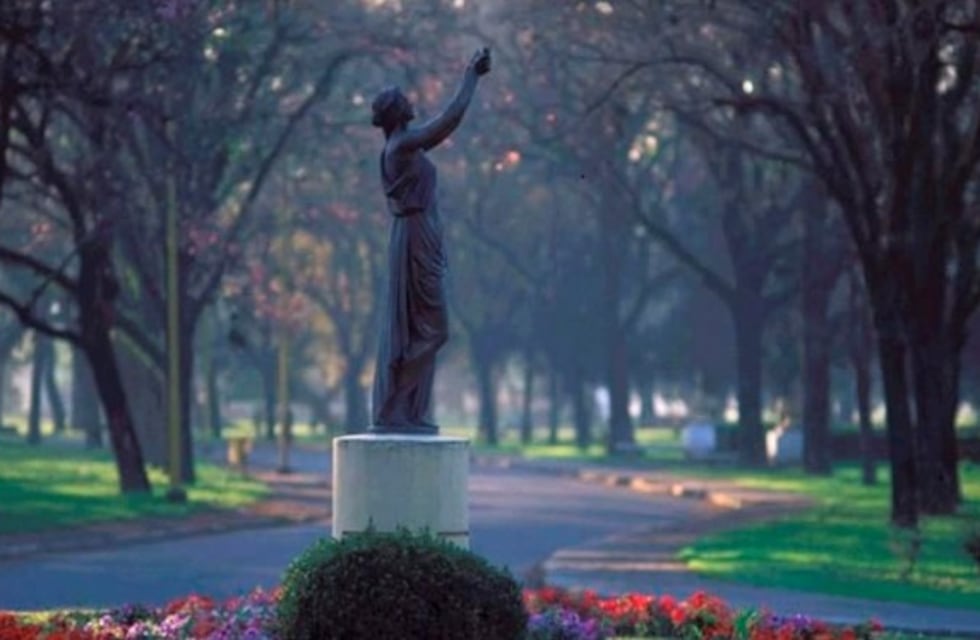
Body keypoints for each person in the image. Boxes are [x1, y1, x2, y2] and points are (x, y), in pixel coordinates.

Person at [370, 47, 491, 434]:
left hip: (418, 235)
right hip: (415, 239)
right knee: (435, 330)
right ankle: (395, 404)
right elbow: (448, 121)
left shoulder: (398, 146)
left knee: (423, 328)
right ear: (396, 112)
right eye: (402, 99)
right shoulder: (402, 146)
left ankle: (405, 409)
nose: (410, 100)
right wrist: (471, 77)